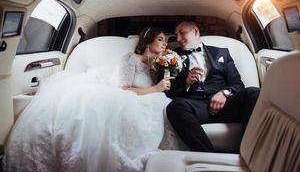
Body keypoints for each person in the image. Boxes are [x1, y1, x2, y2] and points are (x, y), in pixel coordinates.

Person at [3, 27, 172, 172]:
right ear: (148, 41)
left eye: (166, 40)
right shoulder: (130, 59)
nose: (165, 43)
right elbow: (124, 88)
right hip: (125, 96)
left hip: (147, 98)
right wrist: (155, 89)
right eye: (160, 39)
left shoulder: (156, 65)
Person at [166, 21, 260, 152]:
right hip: (197, 107)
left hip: (226, 106)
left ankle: (249, 151)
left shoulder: (221, 53)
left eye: (182, 33)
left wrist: (225, 93)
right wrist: (186, 82)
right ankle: (208, 154)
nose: (178, 39)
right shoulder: (171, 56)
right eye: (176, 36)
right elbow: (167, 90)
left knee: (253, 93)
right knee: (174, 107)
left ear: (196, 31)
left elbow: (238, 85)